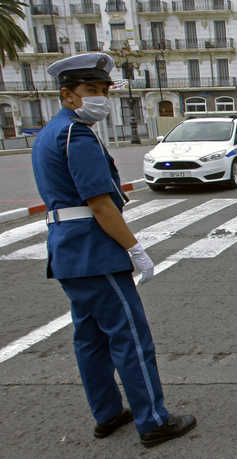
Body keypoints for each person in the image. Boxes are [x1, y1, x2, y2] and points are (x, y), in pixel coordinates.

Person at [32, 53, 196, 447]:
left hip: (68, 253)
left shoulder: (48, 134)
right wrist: (134, 248)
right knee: (130, 336)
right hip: (95, 251)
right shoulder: (77, 136)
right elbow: (101, 204)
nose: (101, 98)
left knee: (89, 338)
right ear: (68, 95)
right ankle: (153, 420)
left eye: (104, 90)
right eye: (91, 91)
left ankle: (107, 414)